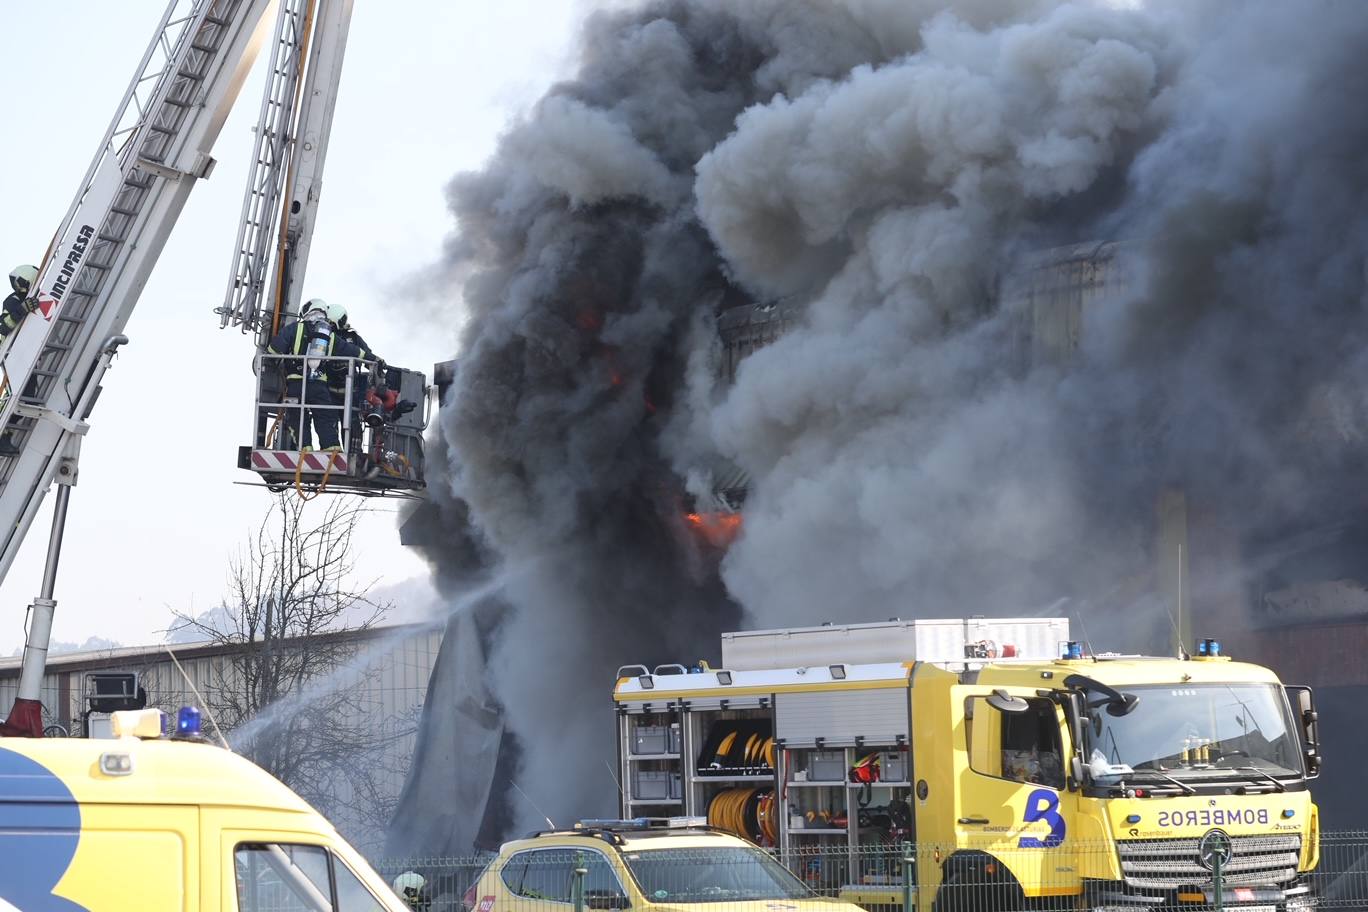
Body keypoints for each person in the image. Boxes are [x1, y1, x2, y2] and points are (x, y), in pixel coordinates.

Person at [265, 298, 362, 451]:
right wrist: (375, 359)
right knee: (325, 416)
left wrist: (271, 361)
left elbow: (273, 351)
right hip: (319, 386)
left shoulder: (293, 329)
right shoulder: (328, 335)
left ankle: (305, 448)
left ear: (307, 311)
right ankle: (331, 448)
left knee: (296, 416)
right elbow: (354, 351)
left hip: (295, 385)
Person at [1, 264, 38, 342]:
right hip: (10, 346)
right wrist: (23, 309)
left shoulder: (38, 296)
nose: (15, 284)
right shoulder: (13, 300)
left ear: (22, 281)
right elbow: (3, 328)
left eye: (15, 281)